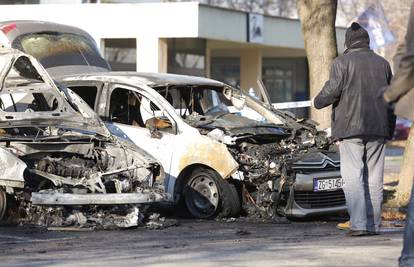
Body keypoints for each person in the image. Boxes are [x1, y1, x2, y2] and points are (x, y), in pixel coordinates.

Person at [313, 22, 395, 237]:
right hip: (379, 129)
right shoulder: (383, 64)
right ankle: (374, 225)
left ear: (348, 42)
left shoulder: (342, 62)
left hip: (350, 129)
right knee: (375, 179)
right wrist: (389, 130)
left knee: (353, 178)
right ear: (367, 41)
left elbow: (331, 91)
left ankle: (359, 225)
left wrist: (318, 101)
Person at [383, 2, 414, 266]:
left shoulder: (340, 66)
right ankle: (367, 222)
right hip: (377, 130)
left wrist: (390, 95)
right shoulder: (378, 63)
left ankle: (409, 258)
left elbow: (409, 57)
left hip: (352, 131)